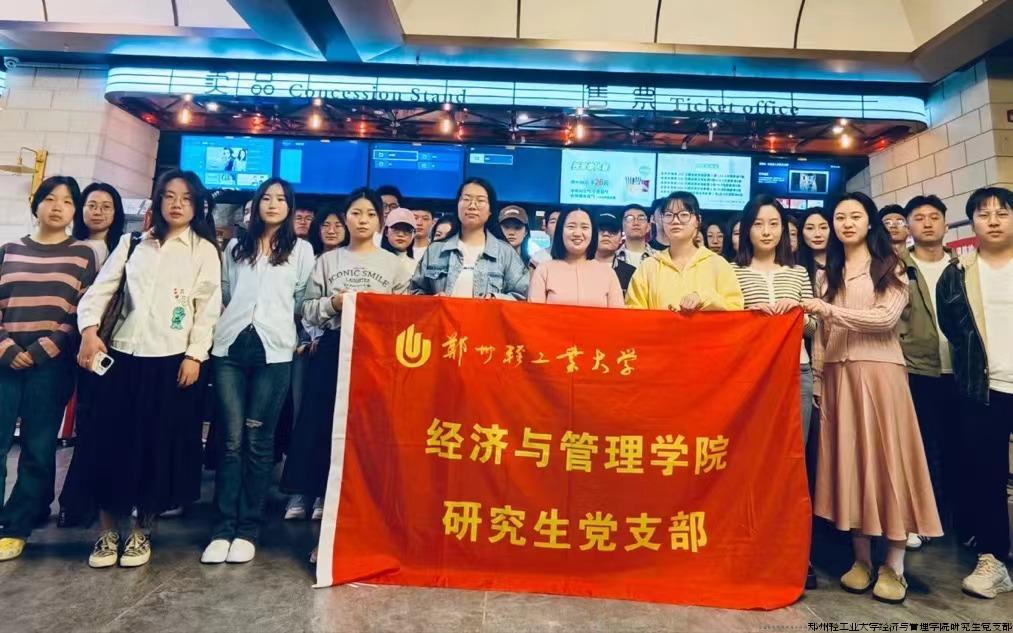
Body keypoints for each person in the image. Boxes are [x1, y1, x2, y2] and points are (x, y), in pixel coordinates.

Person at [75, 170, 222, 569]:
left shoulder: (203, 250)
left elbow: (206, 309)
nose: (177, 204)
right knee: (109, 443)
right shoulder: (132, 243)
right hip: (121, 359)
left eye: (186, 198)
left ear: (197, 206)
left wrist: (195, 355)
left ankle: (142, 530)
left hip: (171, 362)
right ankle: (107, 532)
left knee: (157, 448)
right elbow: (100, 291)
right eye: (169, 196)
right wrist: (88, 332)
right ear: (157, 200)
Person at [802, 191, 941, 604]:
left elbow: (884, 319)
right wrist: (820, 379)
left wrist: (829, 310)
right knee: (851, 465)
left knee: (888, 462)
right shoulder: (829, 273)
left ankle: (894, 564)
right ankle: (861, 558)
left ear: (869, 222)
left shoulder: (890, 265)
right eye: (840, 217)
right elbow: (822, 337)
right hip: (839, 377)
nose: (846, 223)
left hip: (882, 374)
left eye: (855, 216)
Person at [281, 187, 410, 554]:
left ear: (380, 221)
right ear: (345, 218)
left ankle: (358, 515)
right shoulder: (328, 261)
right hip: (333, 350)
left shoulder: (394, 265)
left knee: (365, 432)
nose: (363, 220)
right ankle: (319, 500)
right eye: (356, 213)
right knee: (324, 426)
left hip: (376, 355)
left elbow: (404, 315)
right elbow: (306, 308)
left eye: (370, 214)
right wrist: (333, 304)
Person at [201, 178, 314, 565]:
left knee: (259, 441)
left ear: (290, 207)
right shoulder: (236, 247)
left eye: (281, 199)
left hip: (275, 350)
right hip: (230, 347)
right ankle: (222, 529)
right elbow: (225, 291)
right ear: (256, 204)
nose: (273, 204)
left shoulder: (301, 250)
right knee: (230, 441)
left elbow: (300, 299)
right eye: (266, 197)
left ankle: (247, 529)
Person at [0, 176, 98, 562]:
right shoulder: (9, 250)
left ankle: (17, 525)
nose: (58, 207)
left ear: (75, 211)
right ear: (36, 204)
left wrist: (44, 349)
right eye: (50, 199)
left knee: (38, 447)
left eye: (67, 201)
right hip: (4, 361)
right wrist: (6, 347)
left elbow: (80, 311)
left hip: (50, 366)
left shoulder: (83, 255)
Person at [936, 186, 1013, 599]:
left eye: (1003, 212)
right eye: (983, 214)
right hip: (984, 388)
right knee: (987, 477)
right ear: (972, 223)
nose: (994, 221)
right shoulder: (958, 274)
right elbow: (952, 328)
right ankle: (993, 559)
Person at [895, 195, 962, 553]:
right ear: (908, 227)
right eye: (918, 218)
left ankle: (960, 521)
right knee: (923, 447)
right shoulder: (896, 267)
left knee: (960, 446)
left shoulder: (963, 265)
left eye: (934, 217)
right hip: (918, 368)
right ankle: (924, 519)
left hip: (963, 369)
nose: (927, 223)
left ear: (946, 224)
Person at [410, 178, 529, 299]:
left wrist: (495, 299)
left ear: (490, 210)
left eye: (480, 200)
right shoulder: (435, 250)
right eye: (466, 199)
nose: (472, 206)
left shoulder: (506, 253)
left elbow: (521, 295)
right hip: (442, 312)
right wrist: (432, 300)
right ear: (457, 205)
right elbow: (414, 292)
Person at [626, 192, 743, 312]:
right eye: (668, 215)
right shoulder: (648, 267)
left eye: (684, 214)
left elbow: (736, 308)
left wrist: (704, 298)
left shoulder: (718, 265)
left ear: (698, 220)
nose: (675, 221)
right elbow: (633, 313)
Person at [528, 208, 623, 308]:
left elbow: (618, 315)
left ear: (593, 233)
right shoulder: (544, 270)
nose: (577, 233)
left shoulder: (608, 273)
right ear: (560, 231)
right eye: (571, 226)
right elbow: (533, 313)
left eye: (585, 227)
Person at [73, 182, 126, 267]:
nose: (97, 212)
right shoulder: (68, 246)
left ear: (116, 211)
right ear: (81, 209)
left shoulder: (124, 248)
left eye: (106, 207)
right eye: (92, 205)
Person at [594, 212, 637, 295]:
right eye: (600, 230)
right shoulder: (579, 268)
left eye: (612, 231)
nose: (606, 234)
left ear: (621, 238)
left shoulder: (632, 273)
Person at [499, 204, 550, 272]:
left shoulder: (535, 264)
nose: (511, 232)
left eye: (517, 228)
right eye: (506, 227)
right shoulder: (489, 262)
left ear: (525, 232)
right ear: (499, 229)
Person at [381, 207, 419, 280]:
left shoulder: (416, 267)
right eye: (396, 229)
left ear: (413, 234)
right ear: (386, 231)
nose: (401, 234)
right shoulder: (376, 261)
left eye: (407, 230)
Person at [797, 207, 829, 285]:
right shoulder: (794, 265)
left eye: (823, 227)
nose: (817, 234)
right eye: (810, 228)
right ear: (801, 232)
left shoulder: (845, 263)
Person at [616, 204, 654, 269]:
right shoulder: (612, 258)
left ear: (649, 226)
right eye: (629, 218)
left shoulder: (660, 258)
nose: (636, 223)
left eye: (641, 218)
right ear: (622, 225)